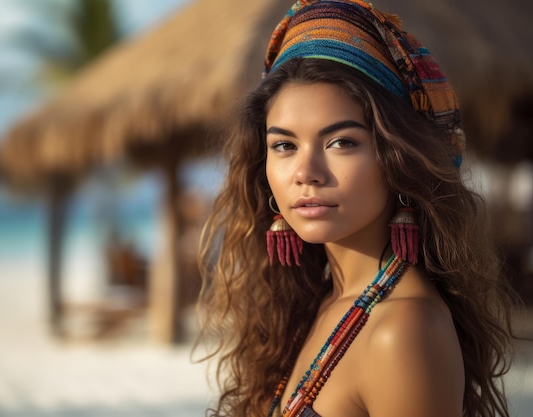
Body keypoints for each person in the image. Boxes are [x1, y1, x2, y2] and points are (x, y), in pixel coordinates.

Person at [195, 1, 518, 417]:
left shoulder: (403, 331)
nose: (306, 172)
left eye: (341, 142)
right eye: (284, 146)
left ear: (398, 157)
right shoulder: (315, 303)